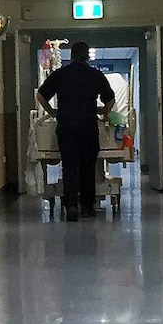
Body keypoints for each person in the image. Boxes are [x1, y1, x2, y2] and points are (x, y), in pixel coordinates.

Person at [37, 42, 115, 221]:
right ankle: (87, 206)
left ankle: (71, 205)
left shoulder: (60, 74)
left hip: (67, 127)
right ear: (87, 56)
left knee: (69, 167)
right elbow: (110, 100)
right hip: (88, 126)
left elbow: (40, 95)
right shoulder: (95, 75)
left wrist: (52, 112)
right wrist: (103, 112)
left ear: (71, 55)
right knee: (88, 168)